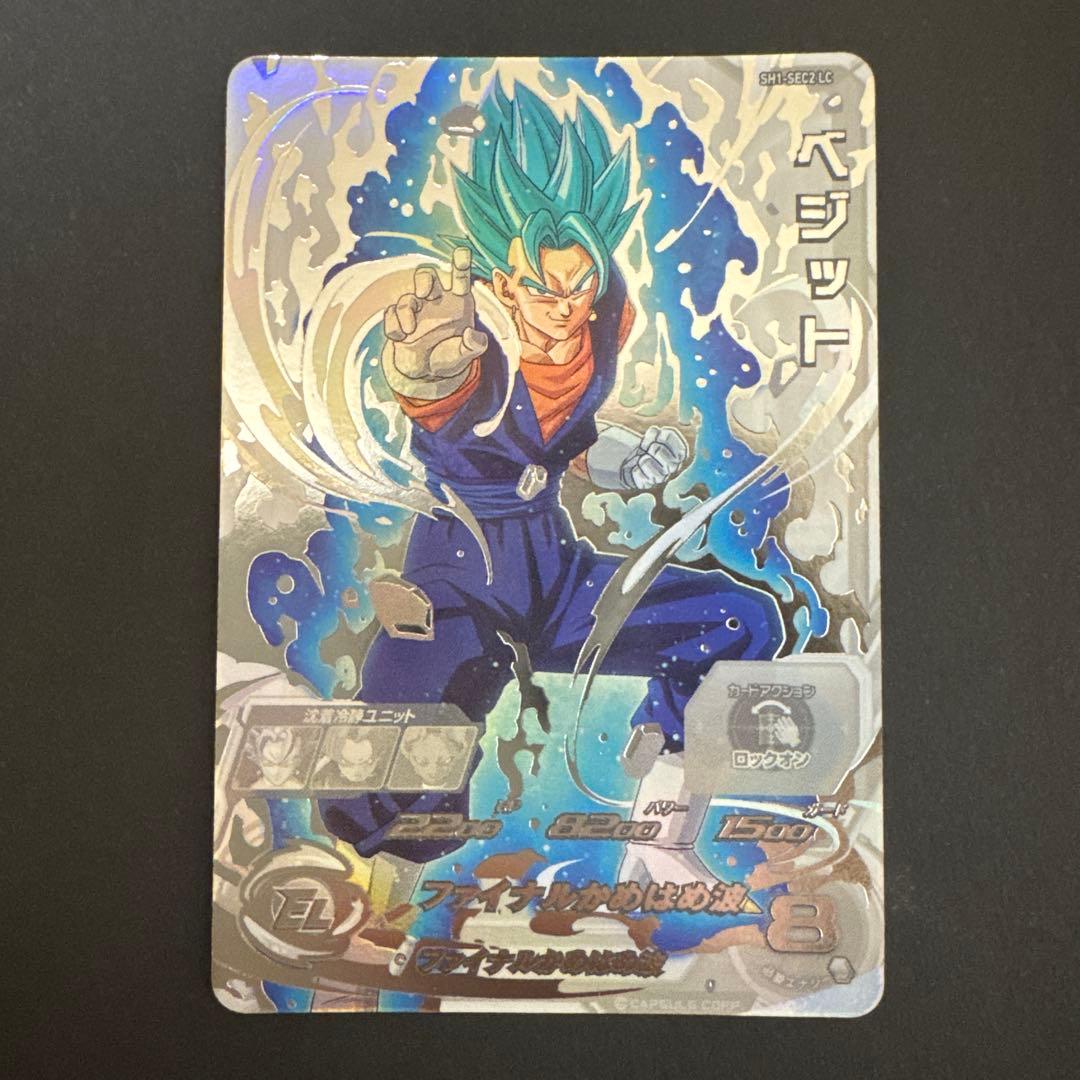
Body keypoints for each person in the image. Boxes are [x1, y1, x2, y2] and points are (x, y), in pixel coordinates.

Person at [318, 81, 783, 884]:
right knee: (392, 786)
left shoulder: (601, 323)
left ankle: (661, 837)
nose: (564, 308)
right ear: (502, 285)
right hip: (461, 587)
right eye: (541, 288)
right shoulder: (470, 351)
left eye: (578, 284)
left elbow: (563, 440)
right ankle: (368, 895)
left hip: (554, 579)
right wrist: (427, 384)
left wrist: (616, 459)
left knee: (738, 622)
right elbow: (450, 416)